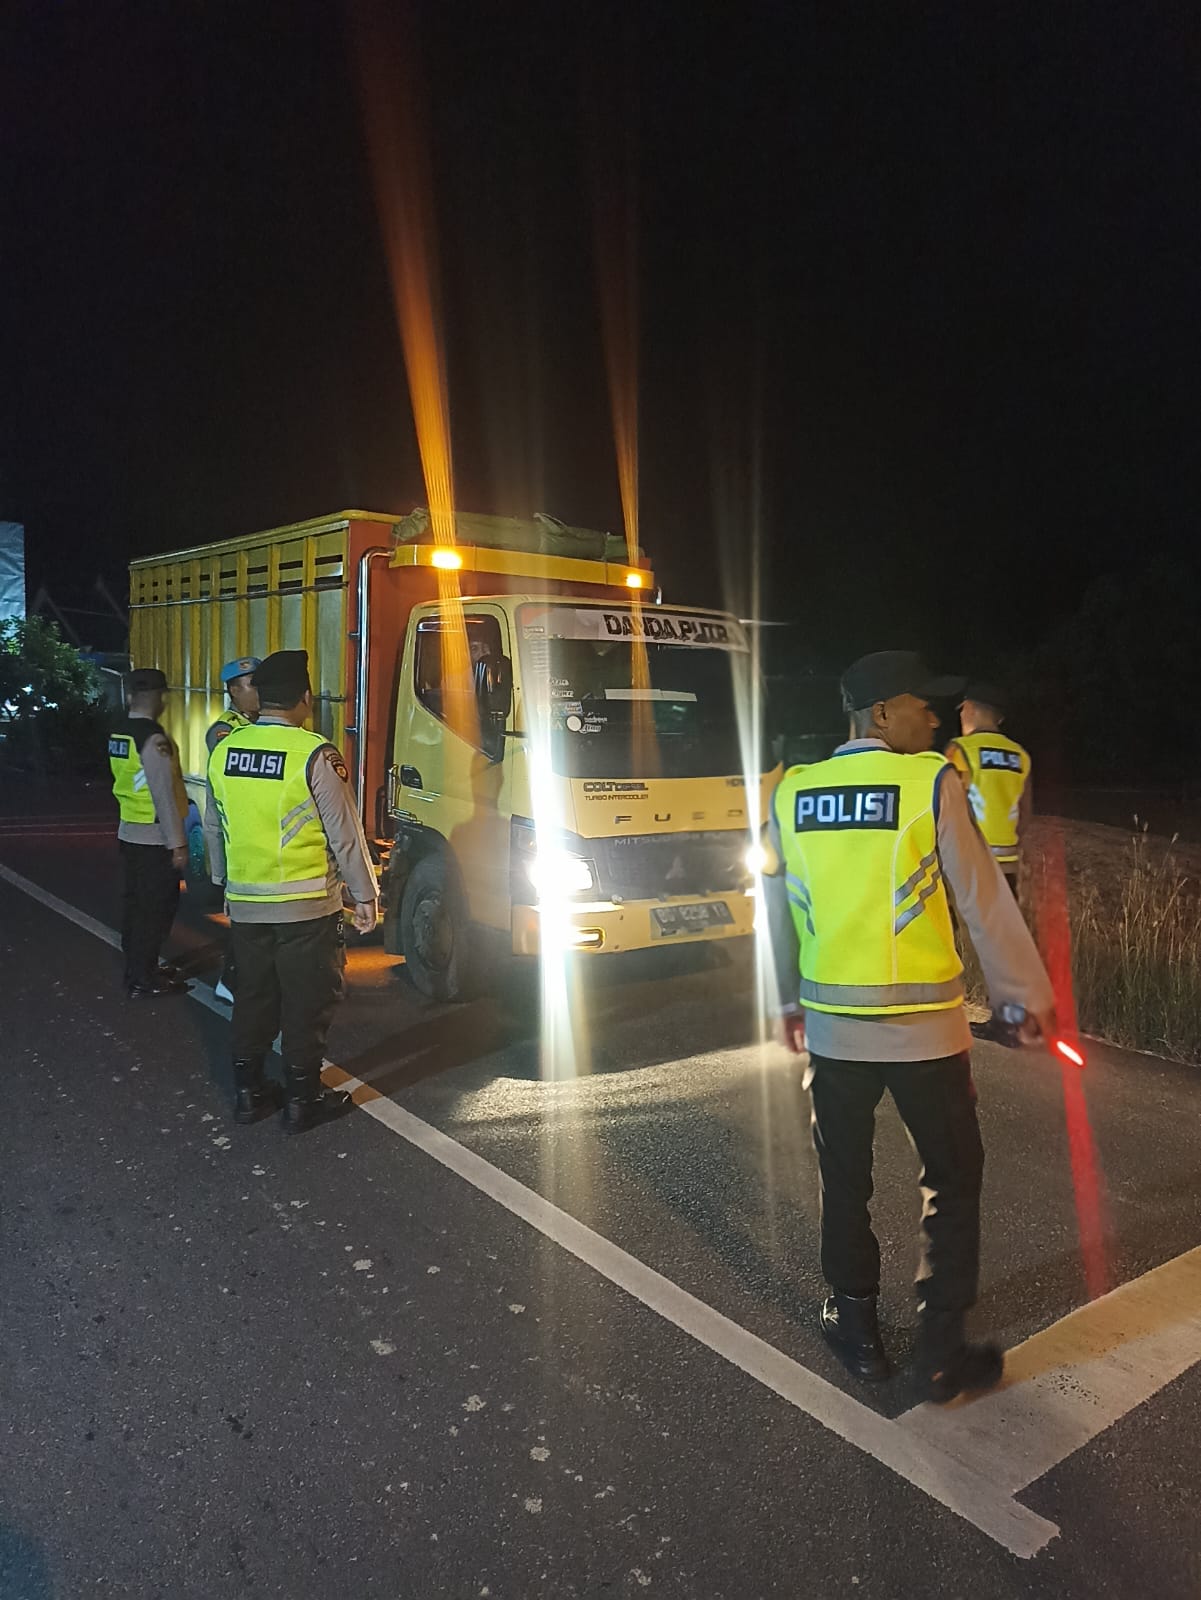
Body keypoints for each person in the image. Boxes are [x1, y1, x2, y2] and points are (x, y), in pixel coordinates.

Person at [764, 650, 1056, 1403]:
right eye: (920, 705)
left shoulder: (793, 791)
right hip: (927, 1035)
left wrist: (787, 1001)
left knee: (844, 1179)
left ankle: (855, 1327)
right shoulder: (929, 782)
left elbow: (779, 905)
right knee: (952, 1180)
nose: (933, 718)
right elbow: (982, 899)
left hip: (834, 1033)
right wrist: (1020, 999)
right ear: (880, 713)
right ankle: (939, 1350)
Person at [205, 650, 378, 1132]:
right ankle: (302, 1100)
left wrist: (223, 883)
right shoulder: (314, 754)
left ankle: (249, 1094)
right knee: (305, 1002)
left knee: (253, 997)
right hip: (306, 908)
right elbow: (345, 833)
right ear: (305, 697)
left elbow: (216, 824)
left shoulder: (225, 751)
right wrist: (365, 895)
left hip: (247, 905)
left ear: (261, 698)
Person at [108, 667, 190, 999]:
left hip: (130, 830)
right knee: (155, 909)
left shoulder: (120, 732)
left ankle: (139, 967)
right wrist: (178, 844)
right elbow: (163, 794)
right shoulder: (153, 739)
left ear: (130, 696)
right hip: (154, 837)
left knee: (136, 906)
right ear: (159, 698)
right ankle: (144, 978)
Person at [205, 657, 262, 1002]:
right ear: (233, 691)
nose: (259, 691)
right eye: (252, 685)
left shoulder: (259, 723)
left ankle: (239, 981)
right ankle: (230, 981)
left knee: (254, 923)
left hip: (255, 838)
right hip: (236, 838)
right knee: (245, 923)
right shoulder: (224, 732)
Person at [944, 682, 1032, 897]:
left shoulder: (960, 750)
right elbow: (1025, 813)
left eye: (962, 710)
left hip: (968, 864)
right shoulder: (1020, 755)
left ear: (970, 709)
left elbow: (946, 807)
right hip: (1008, 864)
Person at [205, 656, 262, 754]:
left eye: (263, 685)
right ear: (234, 691)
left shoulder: (267, 718)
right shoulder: (224, 728)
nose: (261, 690)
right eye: (254, 685)